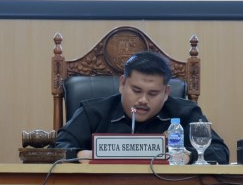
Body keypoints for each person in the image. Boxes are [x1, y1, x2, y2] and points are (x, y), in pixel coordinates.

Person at [55, 51, 230, 164]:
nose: (143, 100)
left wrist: (189, 156)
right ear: (123, 84)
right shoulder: (93, 112)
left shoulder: (185, 113)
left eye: (153, 93)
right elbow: (56, 150)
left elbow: (220, 153)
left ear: (166, 92)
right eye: (136, 90)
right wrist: (79, 155)